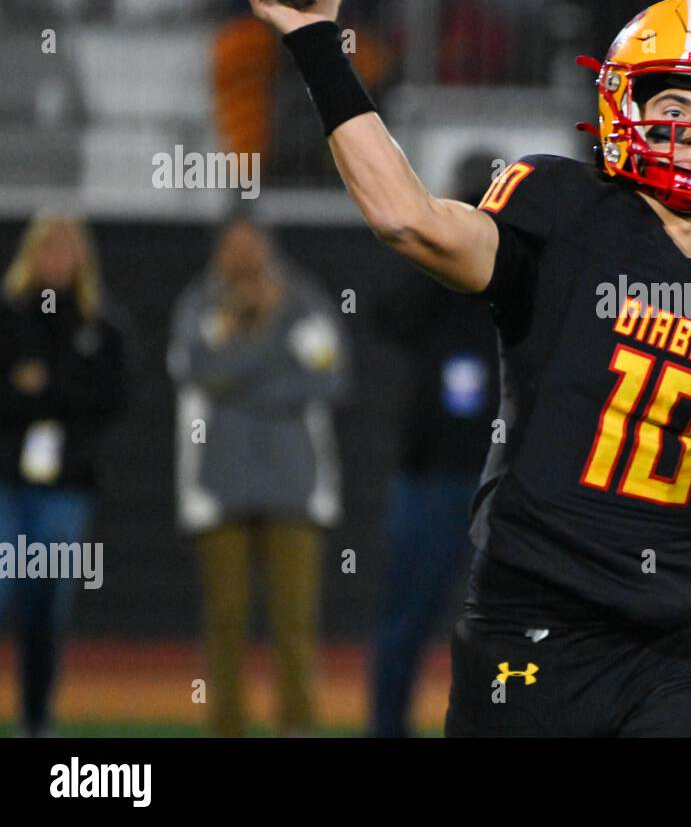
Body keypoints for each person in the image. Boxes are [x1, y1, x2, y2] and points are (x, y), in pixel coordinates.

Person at [232, 0, 691, 736]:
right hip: (532, 620)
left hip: (669, 641)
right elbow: (404, 218)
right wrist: (318, 39)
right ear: (628, 108)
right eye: (676, 103)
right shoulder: (564, 219)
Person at [167, 213, 349, 737]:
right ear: (218, 251)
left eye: (252, 245)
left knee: (295, 619)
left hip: (295, 485)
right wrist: (272, 352)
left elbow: (331, 376)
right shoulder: (200, 304)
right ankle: (227, 728)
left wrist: (245, 368)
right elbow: (196, 369)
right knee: (225, 617)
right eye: (234, 246)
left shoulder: (302, 301)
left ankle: (298, 726)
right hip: (217, 484)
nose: (244, 257)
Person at [369, 152, 501, 738]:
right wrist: (441, 244)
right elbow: (386, 314)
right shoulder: (432, 268)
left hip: (498, 478)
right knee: (408, 618)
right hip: (435, 474)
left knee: (507, 627)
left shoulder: (520, 264)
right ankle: (387, 727)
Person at [0, 212, 128, 736]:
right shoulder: (10, 316)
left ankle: (36, 716)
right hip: (7, 480)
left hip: (67, 487)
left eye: (65, 247)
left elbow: (109, 398)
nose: (56, 257)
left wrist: (42, 389)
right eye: (47, 246)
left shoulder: (100, 324)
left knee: (45, 602)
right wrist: (51, 396)